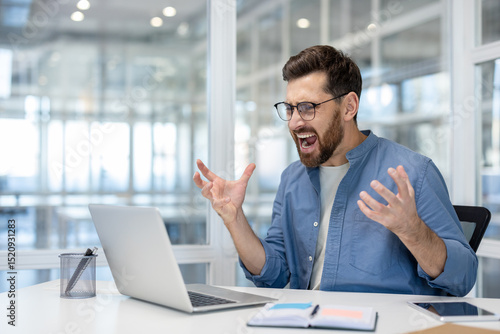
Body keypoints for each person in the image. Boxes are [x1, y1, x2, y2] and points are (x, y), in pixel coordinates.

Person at [193, 45, 477, 296]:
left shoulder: (413, 172)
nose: (293, 123)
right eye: (290, 109)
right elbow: (274, 275)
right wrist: (234, 219)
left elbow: (463, 279)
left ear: (349, 107)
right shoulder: (292, 178)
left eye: (307, 107)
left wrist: (413, 231)